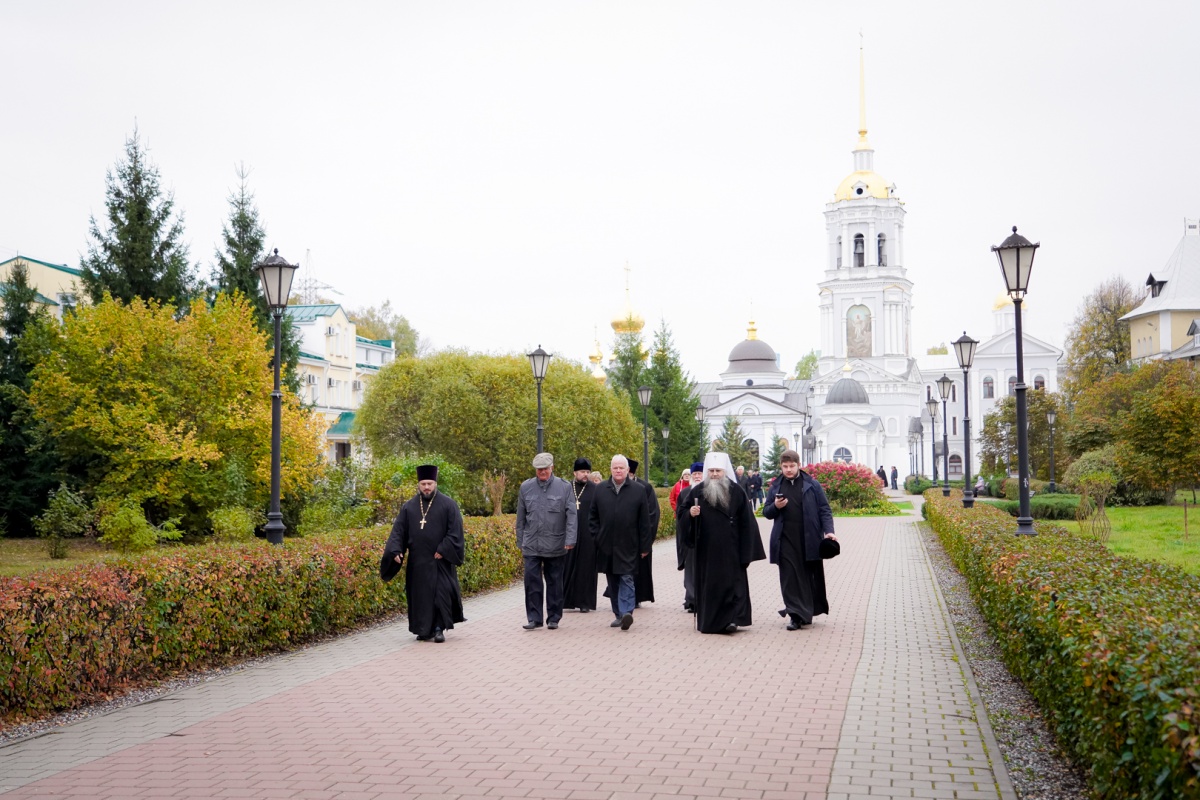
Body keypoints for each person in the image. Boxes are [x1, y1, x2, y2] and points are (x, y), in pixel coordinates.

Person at [678, 452, 766, 634]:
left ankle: (732, 620)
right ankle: (711, 621)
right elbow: (683, 513)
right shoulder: (697, 491)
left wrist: (746, 551)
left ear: (725, 471)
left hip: (731, 549)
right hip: (707, 550)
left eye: (718, 470)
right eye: (711, 471)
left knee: (733, 586)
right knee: (711, 587)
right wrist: (690, 514)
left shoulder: (737, 492)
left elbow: (747, 522)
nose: (715, 474)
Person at [381, 465, 466, 643]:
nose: (426, 487)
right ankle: (423, 629)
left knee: (439, 595)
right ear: (418, 484)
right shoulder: (409, 507)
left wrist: (443, 549)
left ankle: (438, 629)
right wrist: (395, 550)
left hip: (439, 561)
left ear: (435, 483)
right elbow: (399, 531)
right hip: (417, 562)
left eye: (430, 483)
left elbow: (455, 531)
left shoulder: (448, 505)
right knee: (420, 597)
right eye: (423, 484)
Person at [763, 450, 837, 630]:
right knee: (789, 578)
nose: (788, 470)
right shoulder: (775, 487)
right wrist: (776, 506)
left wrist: (829, 531)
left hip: (808, 539)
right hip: (784, 540)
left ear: (798, 465)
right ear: (781, 466)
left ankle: (806, 612)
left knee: (806, 577)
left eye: (792, 466)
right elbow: (766, 512)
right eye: (785, 466)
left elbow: (824, 509)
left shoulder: (812, 484)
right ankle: (795, 615)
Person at [589, 455, 652, 631]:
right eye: (615, 467)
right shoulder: (600, 489)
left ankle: (626, 612)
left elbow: (644, 521)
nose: (618, 470)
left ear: (627, 470)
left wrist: (645, 545)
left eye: (621, 468)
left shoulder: (638, 490)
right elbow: (592, 517)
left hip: (629, 544)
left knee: (627, 577)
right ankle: (618, 614)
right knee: (613, 579)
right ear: (611, 469)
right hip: (606, 544)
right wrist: (597, 537)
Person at [515, 453, 577, 630]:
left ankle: (554, 617)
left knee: (555, 582)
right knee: (531, 582)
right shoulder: (526, 487)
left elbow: (572, 516)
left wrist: (570, 539)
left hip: (555, 543)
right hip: (531, 544)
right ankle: (534, 618)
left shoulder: (564, 487)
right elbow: (520, 518)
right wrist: (521, 541)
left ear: (552, 468)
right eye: (539, 469)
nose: (542, 472)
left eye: (545, 468)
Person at [562, 457, 599, 613]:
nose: (585, 475)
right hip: (568, 533)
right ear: (574, 472)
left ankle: (585, 602)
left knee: (586, 568)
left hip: (588, 535)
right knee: (566, 566)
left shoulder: (595, 489)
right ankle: (566, 600)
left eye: (587, 472)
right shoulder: (565, 488)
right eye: (582, 472)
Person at [673, 461, 705, 613]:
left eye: (700, 474)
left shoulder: (708, 491)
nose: (697, 477)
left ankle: (704, 598)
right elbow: (680, 514)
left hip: (706, 537)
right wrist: (689, 514)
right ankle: (692, 599)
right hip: (691, 536)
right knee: (691, 569)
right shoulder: (685, 493)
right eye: (695, 474)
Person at [627, 458, 657, 606]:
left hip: (639, 537)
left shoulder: (645, 487)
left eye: (629, 474)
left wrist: (646, 537)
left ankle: (637, 597)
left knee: (638, 569)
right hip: (621, 538)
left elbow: (652, 513)